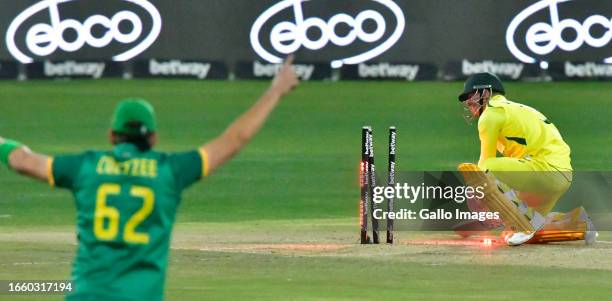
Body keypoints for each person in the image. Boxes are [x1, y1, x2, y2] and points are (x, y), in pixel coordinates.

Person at [0, 56, 299, 300]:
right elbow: (234, 140)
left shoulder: (86, 167)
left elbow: (22, 161)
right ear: (154, 138)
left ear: (111, 135)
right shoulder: (169, 171)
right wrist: (276, 90)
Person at [458, 72, 595, 246]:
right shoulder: (518, 109)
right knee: (537, 227)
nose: (469, 102)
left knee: (484, 170)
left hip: (542, 170)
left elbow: (484, 168)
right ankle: (579, 223)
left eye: (471, 96)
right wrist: (476, 222)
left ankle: (521, 227)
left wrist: (476, 203)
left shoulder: (490, 114)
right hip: (559, 174)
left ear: (485, 93)